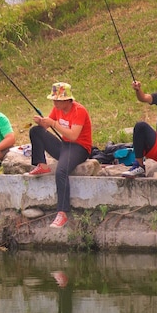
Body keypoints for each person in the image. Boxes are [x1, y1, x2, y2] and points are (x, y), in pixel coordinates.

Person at [25, 82, 93, 229]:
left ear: (67, 100)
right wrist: (42, 122)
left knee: (61, 171)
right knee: (36, 131)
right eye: (53, 100)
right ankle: (41, 164)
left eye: (57, 100)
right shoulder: (57, 109)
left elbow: (74, 136)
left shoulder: (79, 111)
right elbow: (48, 125)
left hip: (79, 148)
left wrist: (54, 124)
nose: (54, 102)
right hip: (65, 146)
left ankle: (62, 212)